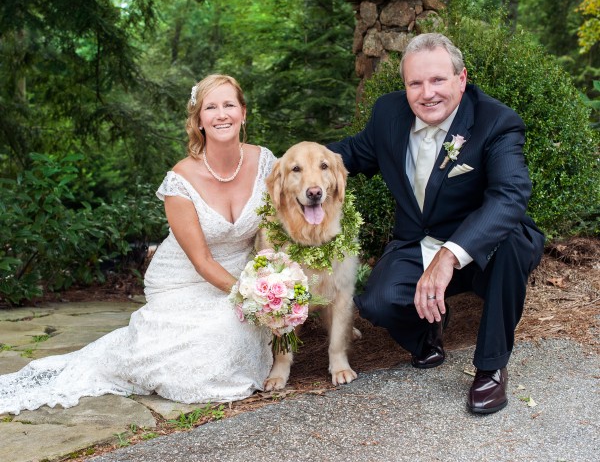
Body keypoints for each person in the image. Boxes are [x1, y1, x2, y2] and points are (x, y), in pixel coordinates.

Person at [0, 74, 275, 415]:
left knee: (232, 332)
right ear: (199, 120)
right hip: (186, 281)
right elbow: (202, 262)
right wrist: (253, 296)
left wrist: (274, 281)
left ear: (243, 113)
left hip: (242, 274)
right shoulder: (180, 181)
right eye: (211, 107)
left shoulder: (265, 162)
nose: (221, 114)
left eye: (229, 105)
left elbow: (272, 230)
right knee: (215, 345)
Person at [327, 33, 545, 414]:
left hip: (486, 244)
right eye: (415, 83)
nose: (427, 93)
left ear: (461, 80)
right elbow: (350, 154)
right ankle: (428, 330)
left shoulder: (497, 122)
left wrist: (449, 257)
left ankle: (491, 367)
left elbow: (509, 195)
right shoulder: (388, 115)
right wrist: (291, 163)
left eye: (438, 80)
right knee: (378, 302)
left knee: (512, 246)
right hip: (420, 240)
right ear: (405, 86)